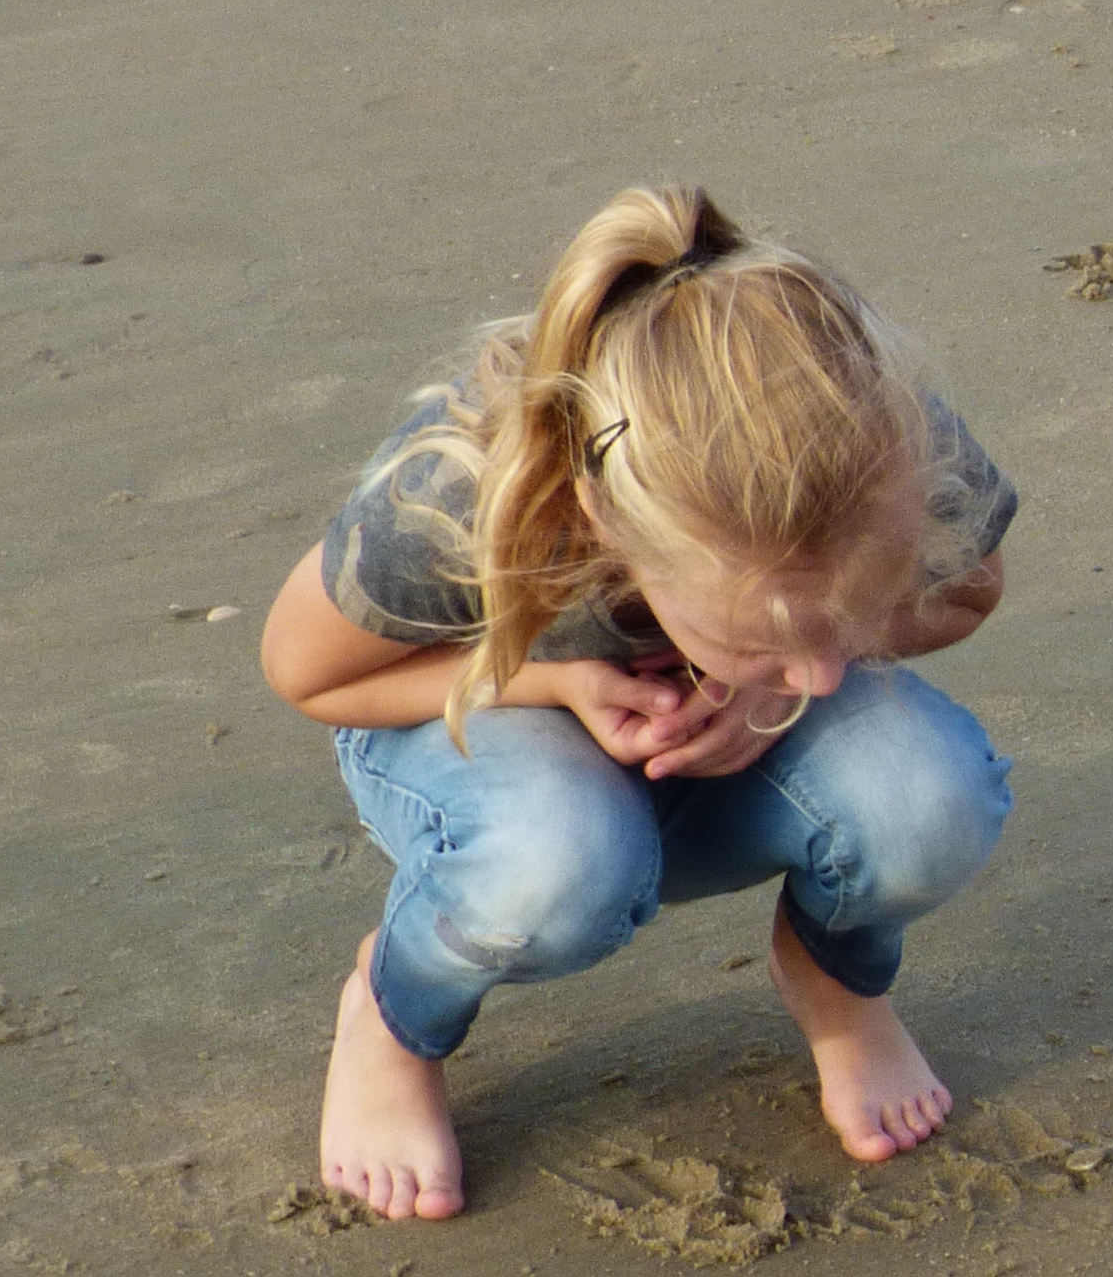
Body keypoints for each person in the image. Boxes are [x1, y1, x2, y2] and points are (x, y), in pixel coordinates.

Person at [257, 185, 1021, 1220]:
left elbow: (971, 590)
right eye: (762, 637)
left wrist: (753, 688)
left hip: (715, 743)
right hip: (476, 720)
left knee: (926, 802)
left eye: (844, 626)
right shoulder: (458, 495)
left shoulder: (874, 430)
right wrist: (556, 677)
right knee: (557, 868)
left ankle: (837, 980)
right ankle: (394, 1019)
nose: (824, 677)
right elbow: (311, 674)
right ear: (605, 526)